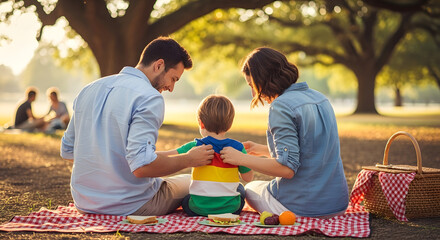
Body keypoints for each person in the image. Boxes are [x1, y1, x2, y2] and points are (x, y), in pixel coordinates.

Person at [60, 37, 215, 216]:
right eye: (173, 79)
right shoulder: (149, 97)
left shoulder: (89, 89)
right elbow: (142, 167)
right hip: (131, 205)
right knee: (193, 181)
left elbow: (68, 150)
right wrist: (189, 160)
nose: (171, 88)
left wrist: (106, 166)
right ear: (159, 65)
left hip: (84, 202)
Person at [220, 47, 349, 218]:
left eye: (252, 85)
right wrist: (261, 149)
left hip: (303, 208)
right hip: (337, 205)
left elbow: (287, 169)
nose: (253, 93)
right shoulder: (320, 98)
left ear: (263, 79)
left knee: (249, 188)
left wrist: (241, 158)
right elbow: (311, 150)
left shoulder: (281, 106)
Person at [162, 95, 254, 216]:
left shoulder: (195, 145)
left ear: (201, 123)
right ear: (230, 124)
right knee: (240, 189)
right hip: (230, 209)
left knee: (187, 198)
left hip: (197, 209)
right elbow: (248, 178)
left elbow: (168, 156)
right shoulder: (237, 148)